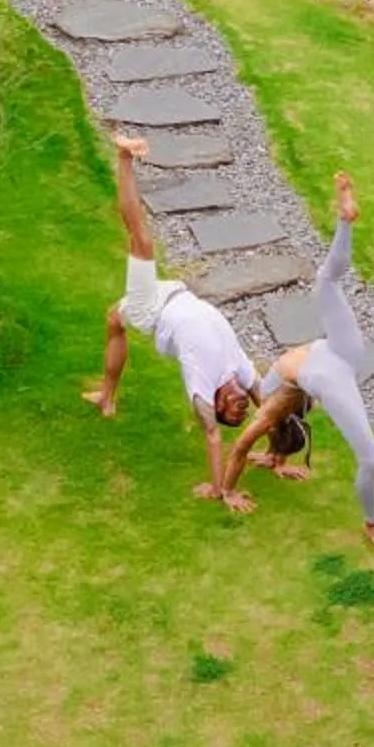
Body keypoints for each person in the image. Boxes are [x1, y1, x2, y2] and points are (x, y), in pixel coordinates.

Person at [83, 132, 261, 512]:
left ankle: (124, 158)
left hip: (154, 310)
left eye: (234, 410)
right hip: (175, 294)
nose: (240, 404)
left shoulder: (201, 383)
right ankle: (107, 399)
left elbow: (213, 438)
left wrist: (221, 490)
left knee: (141, 240)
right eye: (241, 407)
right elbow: (271, 408)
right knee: (114, 319)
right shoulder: (242, 373)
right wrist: (281, 457)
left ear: (216, 404)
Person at [222, 170, 374, 550]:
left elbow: (241, 446)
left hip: (334, 362)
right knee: (326, 281)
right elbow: (251, 435)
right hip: (336, 351)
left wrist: (240, 482)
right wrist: (255, 473)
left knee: (371, 458)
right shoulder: (274, 398)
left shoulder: (273, 404)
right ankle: (344, 219)